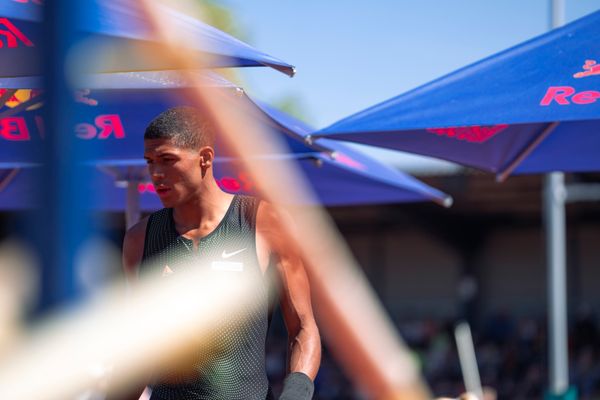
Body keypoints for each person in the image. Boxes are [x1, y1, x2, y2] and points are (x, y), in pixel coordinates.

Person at [119, 106, 321, 400]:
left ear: (205, 158)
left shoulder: (264, 222)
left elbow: (303, 326)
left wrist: (297, 392)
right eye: (150, 162)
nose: (156, 173)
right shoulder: (140, 239)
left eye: (167, 160)